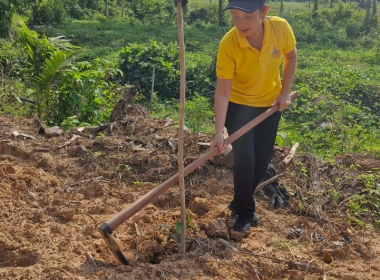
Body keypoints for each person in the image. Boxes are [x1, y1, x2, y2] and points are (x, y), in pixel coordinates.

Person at [210, 0, 297, 233]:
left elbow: (291, 56)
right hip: (239, 107)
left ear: (264, 12)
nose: (241, 23)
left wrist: (285, 93)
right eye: (236, 17)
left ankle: (239, 203)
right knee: (246, 160)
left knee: (261, 160)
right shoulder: (228, 44)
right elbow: (222, 91)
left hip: (269, 104)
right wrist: (219, 133)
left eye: (247, 17)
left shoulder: (280, 28)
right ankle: (245, 213)